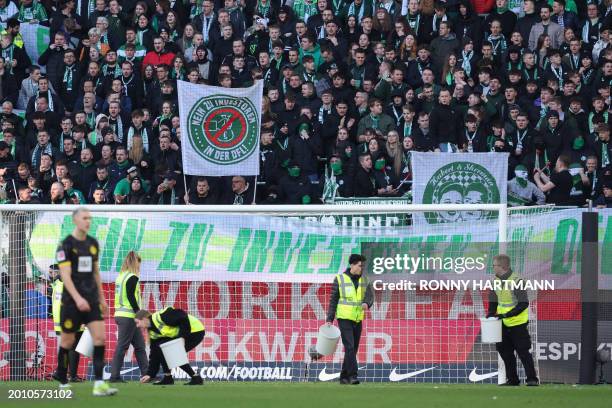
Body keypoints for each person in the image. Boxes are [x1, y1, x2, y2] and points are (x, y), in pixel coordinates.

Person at [53, 208, 117, 396]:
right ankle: (62, 379)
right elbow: (65, 276)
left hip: (90, 300)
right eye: (84, 218)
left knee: (99, 337)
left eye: (89, 218)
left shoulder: (92, 243)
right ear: (75, 220)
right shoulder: (65, 245)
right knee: (67, 340)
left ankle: (99, 384)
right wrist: (78, 298)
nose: (88, 221)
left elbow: (96, 272)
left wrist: (102, 299)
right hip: (71, 302)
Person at [487, 254, 539, 386]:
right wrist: (491, 313)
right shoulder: (494, 281)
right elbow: (493, 300)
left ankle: (532, 379)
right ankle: (513, 380)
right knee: (505, 352)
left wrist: (507, 314)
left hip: (518, 323)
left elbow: (523, 303)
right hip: (502, 323)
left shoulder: (517, 281)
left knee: (523, 352)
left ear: (502, 266)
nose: (493, 267)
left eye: (494, 265)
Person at [325, 254, 373, 385]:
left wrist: (367, 304)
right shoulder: (340, 279)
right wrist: (330, 318)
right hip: (344, 318)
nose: (361, 268)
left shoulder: (365, 280)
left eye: (362, 265)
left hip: (358, 319)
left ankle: (343, 377)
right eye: (359, 265)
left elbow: (370, 297)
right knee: (350, 347)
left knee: (353, 349)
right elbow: (333, 299)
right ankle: (352, 376)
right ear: (352, 265)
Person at [135, 307, 205, 385]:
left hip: (195, 331)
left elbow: (182, 316)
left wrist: (182, 337)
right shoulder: (152, 332)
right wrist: (150, 374)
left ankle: (195, 378)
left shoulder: (161, 316)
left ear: (144, 319)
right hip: (186, 334)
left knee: (172, 353)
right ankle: (168, 378)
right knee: (162, 349)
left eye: (138, 322)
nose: (137, 326)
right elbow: (154, 354)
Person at [109, 251, 148, 382]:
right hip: (128, 316)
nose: (139, 266)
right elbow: (131, 296)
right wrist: (139, 314)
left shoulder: (121, 277)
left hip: (121, 314)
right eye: (139, 263)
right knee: (122, 346)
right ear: (134, 262)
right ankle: (114, 376)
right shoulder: (132, 277)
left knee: (140, 346)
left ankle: (146, 374)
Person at [50, 263, 83, 383]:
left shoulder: (56, 284)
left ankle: (61, 372)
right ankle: (70, 375)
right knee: (73, 349)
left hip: (59, 321)